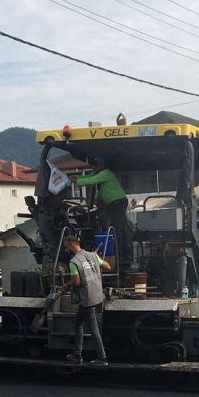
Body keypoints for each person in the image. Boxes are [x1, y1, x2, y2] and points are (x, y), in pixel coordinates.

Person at [76, 156, 131, 270]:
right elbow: (90, 178)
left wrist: (77, 180)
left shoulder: (106, 173)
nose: (94, 168)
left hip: (118, 203)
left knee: (115, 228)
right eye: (93, 166)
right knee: (103, 219)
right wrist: (77, 177)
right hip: (111, 205)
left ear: (102, 166)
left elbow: (90, 180)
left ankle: (119, 254)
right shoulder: (101, 182)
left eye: (96, 166)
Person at [63, 233, 110, 366]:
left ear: (73, 245)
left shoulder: (74, 262)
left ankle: (101, 358)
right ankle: (77, 353)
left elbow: (77, 282)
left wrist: (68, 284)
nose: (66, 250)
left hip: (87, 298)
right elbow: (107, 267)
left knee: (92, 328)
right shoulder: (93, 255)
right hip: (98, 296)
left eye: (67, 247)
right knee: (77, 323)